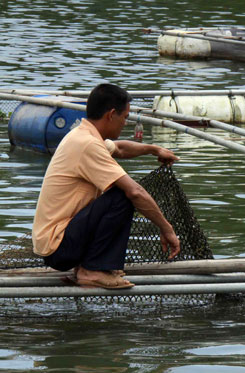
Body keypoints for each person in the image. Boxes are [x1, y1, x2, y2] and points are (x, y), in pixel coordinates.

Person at [32, 83, 181, 289]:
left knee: (123, 192)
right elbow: (135, 192)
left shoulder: (84, 135)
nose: (125, 123)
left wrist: (154, 150)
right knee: (124, 194)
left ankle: (92, 265)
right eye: (125, 117)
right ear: (111, 115)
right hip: (59, 248)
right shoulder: (87, 144)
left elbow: (119, 148)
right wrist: (167, 229)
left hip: (58, 245)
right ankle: (92, 270)